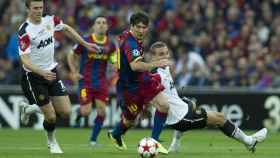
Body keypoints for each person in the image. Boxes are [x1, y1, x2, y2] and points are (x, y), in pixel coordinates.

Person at [148, 41, 267, 153]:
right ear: (153, 57)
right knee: (220, 118)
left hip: (180, 110)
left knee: (191, 104)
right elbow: (152, 97)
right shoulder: (155, 75)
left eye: (166, 53)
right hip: (181, 118)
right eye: (161, 54)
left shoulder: (164, 68)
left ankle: (174, 145)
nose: (165, 56)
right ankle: (249, 142)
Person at [18, 0, 99, 154]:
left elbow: (67, 29)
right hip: (34, 76)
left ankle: (29, 109)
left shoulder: (50, 20)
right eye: (35, 8)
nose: (38, 11)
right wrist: (42, 72)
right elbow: (25, 60)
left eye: (40, 7)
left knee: (66, 112)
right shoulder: (25, 31)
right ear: (28, 9)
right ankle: (51, 141)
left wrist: (85, 44)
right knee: (51, 117)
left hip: (52, 71)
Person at [107, 12, 170, 154]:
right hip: (128, 87)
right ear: (132, 26)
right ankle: (116, 133)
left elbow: (119, 50)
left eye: (144, 27)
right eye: (138, 27)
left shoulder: (126, 36)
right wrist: (157, 63)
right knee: (131, 121)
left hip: (142, 80)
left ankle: (154, 141)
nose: (141, 31)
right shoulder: (131, 43)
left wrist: (116, 60)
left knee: (164, 105)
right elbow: (135, 66)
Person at [67, 16, 118, 146]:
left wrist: (117, 64)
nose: (101, 25)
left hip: (101, 83)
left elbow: (113, 60)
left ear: (107, 27)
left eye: (104, 23)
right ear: (94, 27)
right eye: (98, 23)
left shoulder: (111, 45)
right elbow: (71, 54)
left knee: (102, 112)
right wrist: (73, 71)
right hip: (86, 82)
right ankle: (78, 112)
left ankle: (93, 141)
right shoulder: (85, 41)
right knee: (86, 112)